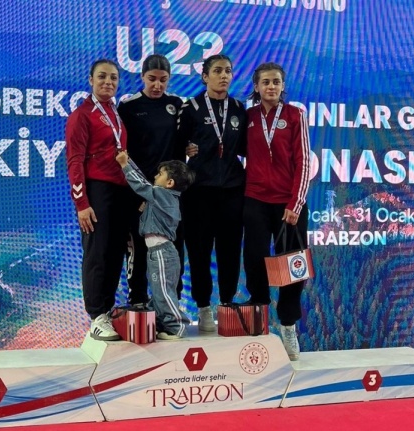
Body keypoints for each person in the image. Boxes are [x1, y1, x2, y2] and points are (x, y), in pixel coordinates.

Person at [242, 62, 311, 360]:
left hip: (288, 204)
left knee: (293, 267)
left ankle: (287, 325)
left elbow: (304, 161)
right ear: (256, 86)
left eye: (276, 82)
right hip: (255, 199)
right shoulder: (248, 117)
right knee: (255, 260)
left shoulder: (295, 115)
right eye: (266, 82)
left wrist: (295, 203)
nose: (271, 86)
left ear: (283, 86)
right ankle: (259, 318)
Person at [65, 59, 137, 341]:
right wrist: (82, 204)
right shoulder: (82, 115)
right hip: (97, 190)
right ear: (91, 80)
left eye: (114, 78)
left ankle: (106, 310)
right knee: (97, 253)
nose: (108, 82)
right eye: (102, 77)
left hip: (120, 191)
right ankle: (96, 315)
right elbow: (74, 161)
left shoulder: (114, 112)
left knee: (115, 252)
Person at [177, 54, 247, 332]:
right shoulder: (190, 108)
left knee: (230, 252)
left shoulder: (239, 109)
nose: (224, 76)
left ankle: (227, 303)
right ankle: (204, 307)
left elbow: (246, 148)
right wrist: (186, 150)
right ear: (205, 76)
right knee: (199, 252)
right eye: (217, 71)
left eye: (228, 71)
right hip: (198, 192)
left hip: (232, 191)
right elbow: (176, 146)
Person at [117, 54, 185, 306]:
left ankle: (171, 304)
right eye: (152, 79)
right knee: (138, 247)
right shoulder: (128, 106)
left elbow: (182, 144)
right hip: (138, 191)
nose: (157, 85)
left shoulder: (176, 104)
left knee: (172, 249)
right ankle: (137, 301)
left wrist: (190, 147)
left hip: (168, 193)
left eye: (163, 80)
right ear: (142, 77)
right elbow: (121, 149)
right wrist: (138, 191)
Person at [115, 151, 193, 339]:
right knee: (159, 293)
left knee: (163, 293)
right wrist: (130, 159)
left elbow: (141, 185)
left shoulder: (162, 195)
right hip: (158, 253)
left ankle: (177, 326)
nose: (155, 176)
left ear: (170, 183)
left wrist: (125, 165)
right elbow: (145, 184)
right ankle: (164, 323)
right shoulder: (162, 198)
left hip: (162, 253)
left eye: (160, 174)